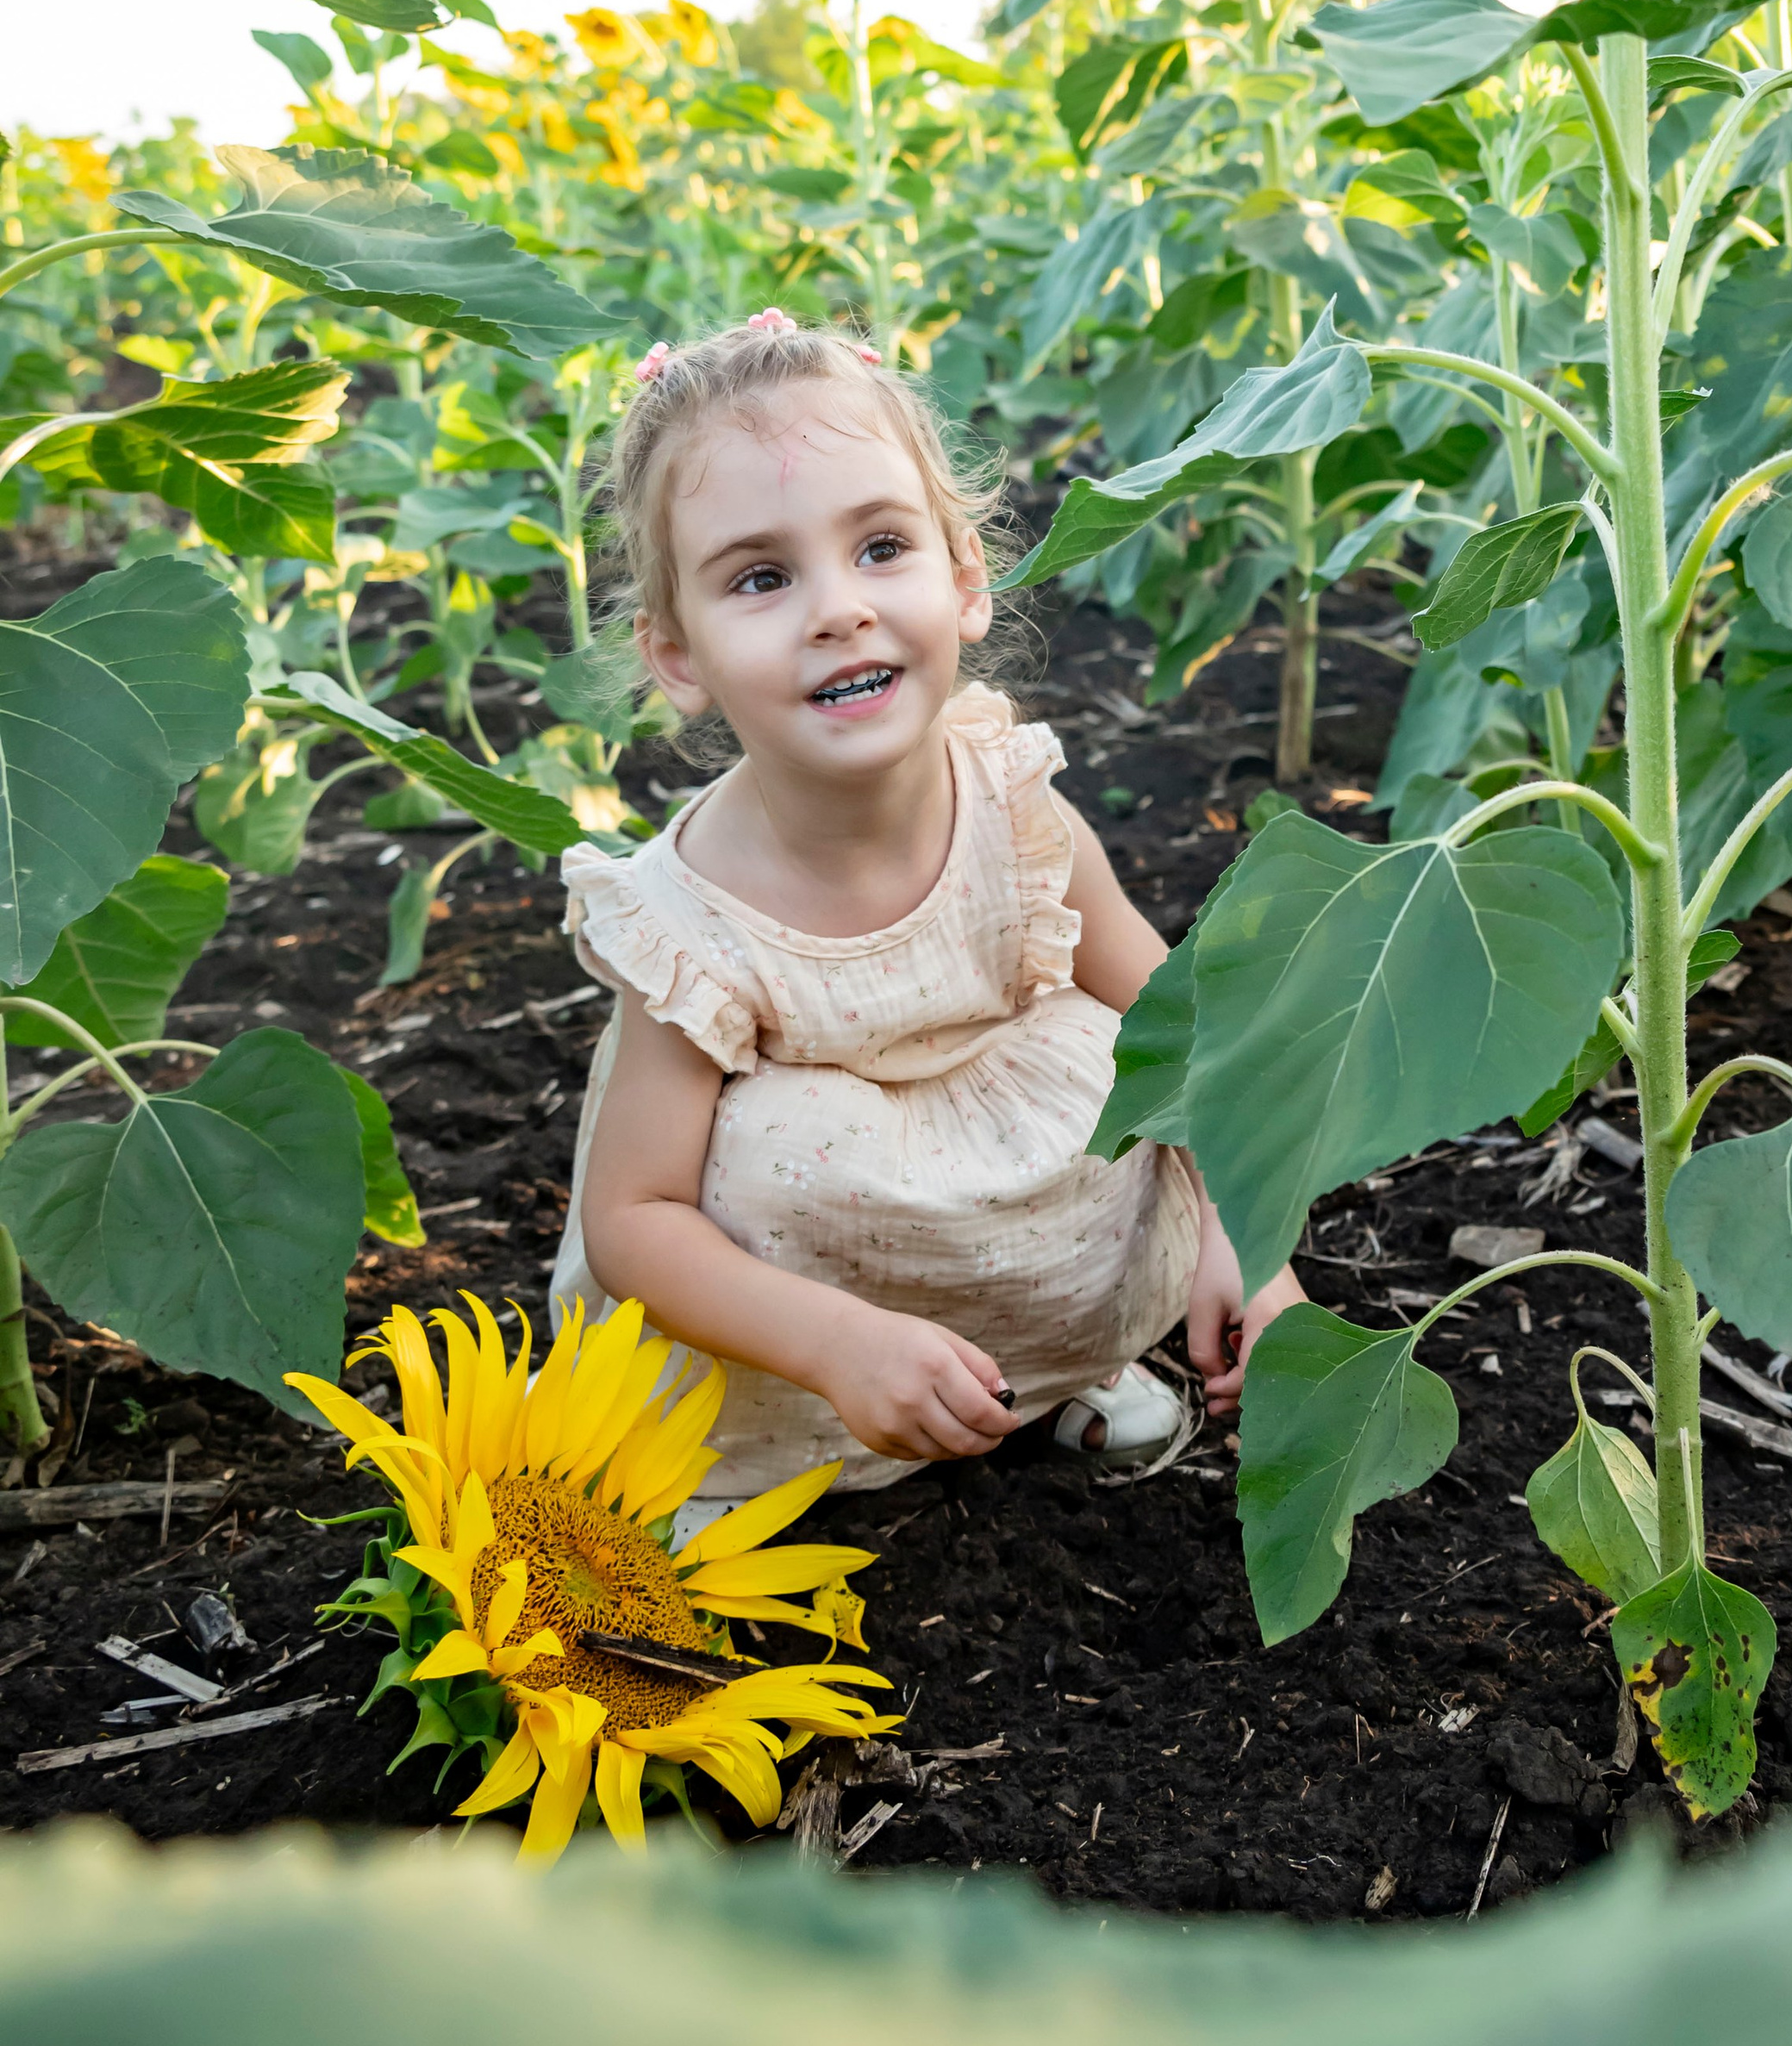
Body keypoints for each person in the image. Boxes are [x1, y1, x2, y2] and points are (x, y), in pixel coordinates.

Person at [550, 309, 1304, 1519]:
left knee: (1121, 1067)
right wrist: (838, 1343)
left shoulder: (1016, 810)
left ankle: (1038, 1374)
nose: (839, 608)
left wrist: (1252, 1250)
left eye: (881, 547)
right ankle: (805, 1441)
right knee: (787, 1159)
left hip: (995, 1201)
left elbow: (1191, 1030)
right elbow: (634, 1220)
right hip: (812, 1297)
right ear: (677, 655)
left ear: (965, 581)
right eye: (761, 577)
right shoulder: (689, 918)